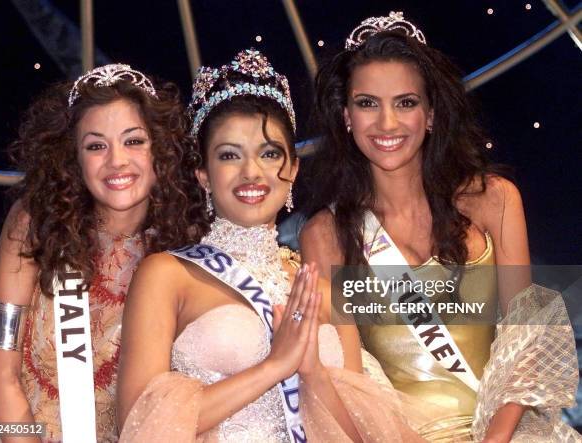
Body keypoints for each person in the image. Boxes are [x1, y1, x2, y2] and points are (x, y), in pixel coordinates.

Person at [117, 49, 431, 442]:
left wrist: (312, 372)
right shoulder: (167, 274)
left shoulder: (320, 289)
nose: (252, 172)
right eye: (230, 155)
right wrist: (274, 366)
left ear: (293, 169)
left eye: (269, 154)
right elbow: (138, 421)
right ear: (203, 174)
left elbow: (364, 433)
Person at [300, 12, 580, 442]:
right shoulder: (325, 235)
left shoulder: (494, 200)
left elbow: (526, 341)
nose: (387, 123)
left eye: (405, 102)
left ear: (430, 114)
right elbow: (347, 382)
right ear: (346, 117)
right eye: (368, 103)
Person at [0, 63, 202, 442]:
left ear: (160, 148)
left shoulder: (186, 244)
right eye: (96, 146)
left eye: (134, 141)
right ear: (73, 159)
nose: (117, 161)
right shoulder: (34, 224)